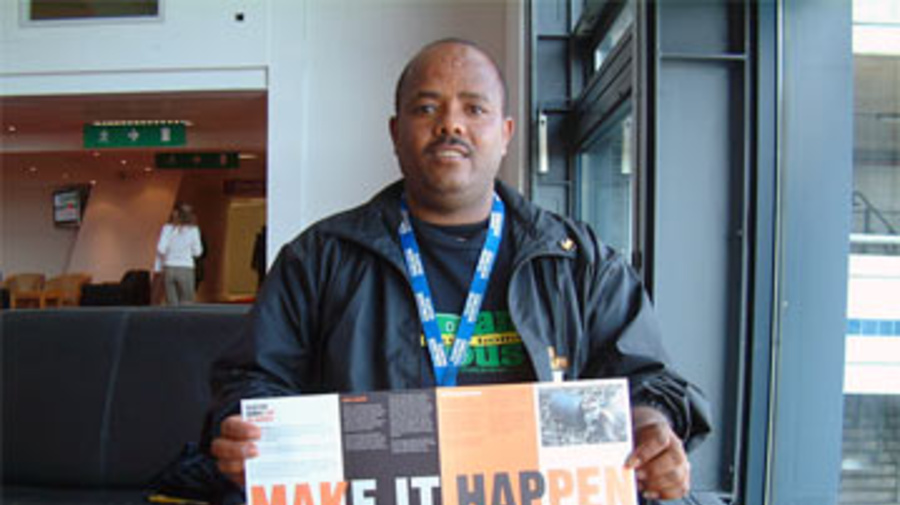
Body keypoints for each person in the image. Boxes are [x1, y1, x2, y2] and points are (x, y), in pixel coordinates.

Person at [209, 38, 711, 503]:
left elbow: (647, 379)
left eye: (474, 108)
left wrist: (650, 425)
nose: (451, 125)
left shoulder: (579, 262)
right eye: (427, 108)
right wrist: (247, 434)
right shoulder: (320, 259)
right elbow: (253, 380)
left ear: (506, 133)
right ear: (395, 133)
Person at [155, 202, 203, 305]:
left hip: (169, 268)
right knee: (187, 303)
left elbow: (161, 249)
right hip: (186, 268)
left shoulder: (167, 229)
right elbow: (198, 252)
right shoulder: (193, 230)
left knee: (171, 304)